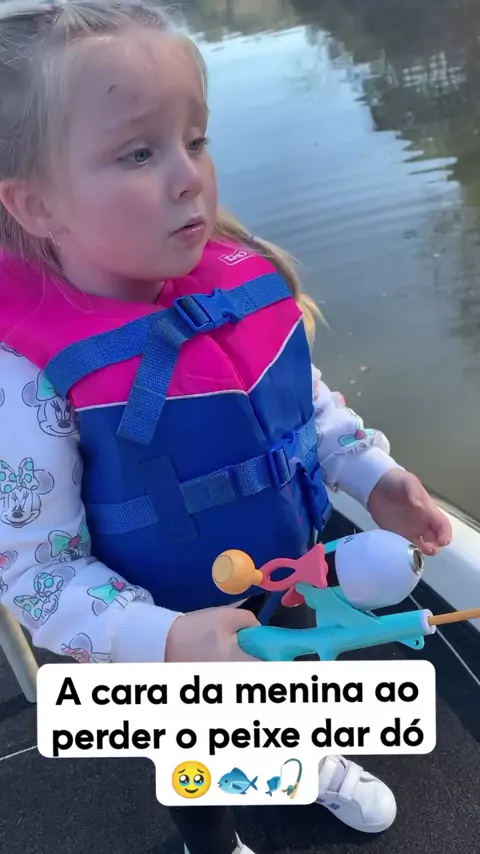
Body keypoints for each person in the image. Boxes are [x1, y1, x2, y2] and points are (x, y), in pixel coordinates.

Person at [0, 2, 452, 853]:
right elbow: (37, 573)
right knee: (196, 760)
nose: (189, 178)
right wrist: (169, 639)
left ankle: (305, 761)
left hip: (286, 576)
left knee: (296, 687)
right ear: (37, 204)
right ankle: (212, 842)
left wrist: (370, 476)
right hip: (159, 633)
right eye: (139, 153)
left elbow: (304, 406)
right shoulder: (24, 381)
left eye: (195, 140)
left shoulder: (233, 288)